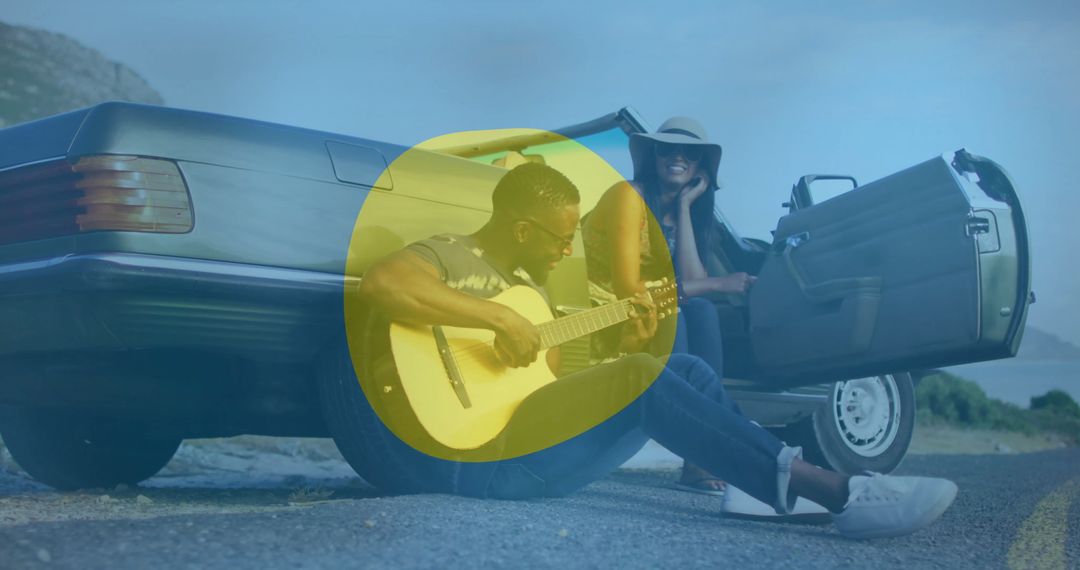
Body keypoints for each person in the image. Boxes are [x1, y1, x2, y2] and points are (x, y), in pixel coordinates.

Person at [356, 162, 957, 540]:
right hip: (476, 467)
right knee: (642, 374)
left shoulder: (528, 286)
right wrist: (495, 317)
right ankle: (837, 492)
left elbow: (540, 391)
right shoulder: (455, 255)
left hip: (524, 447)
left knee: (684, 368)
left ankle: (749, 487)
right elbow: (386, 284)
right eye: (562, 239)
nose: (567, 252)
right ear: (520, 229)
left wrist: (635, 335)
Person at [581, 116, 748, 495]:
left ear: (700, 165)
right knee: (676, 313)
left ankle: (698, 460)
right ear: (652, 155)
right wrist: (720, 282)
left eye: (689, 151)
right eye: (666, 148)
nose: (677, 156)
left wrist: (688, 207)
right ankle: (698, 444)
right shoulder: (628, 195)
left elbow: (693, 284)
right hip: (601, 314)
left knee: (700, 311)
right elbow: (628, 288)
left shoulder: (685, 212)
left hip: (648, 310)